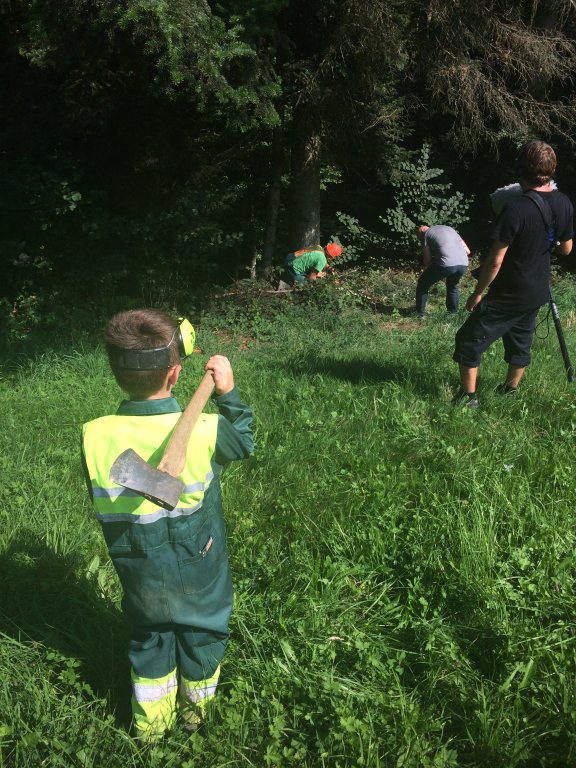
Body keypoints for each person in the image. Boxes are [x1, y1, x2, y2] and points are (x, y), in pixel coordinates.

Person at [81, 309, 253, 742]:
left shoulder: (95, 436)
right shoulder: (209, 429)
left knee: (150, 634)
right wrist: (227, 394)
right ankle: (196, 719)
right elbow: (244, 441)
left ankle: (151, 730)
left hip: (137, 564)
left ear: (114, 371)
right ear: (176, 374)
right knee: (203, 630)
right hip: (201, 562)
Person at [453, 140, 574, 407]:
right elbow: (566, 249)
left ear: (521, 169)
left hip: (509, 292)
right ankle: (510, 389)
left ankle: (468, 397)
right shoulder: (564, 202)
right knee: (521, 340)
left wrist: (477, 293)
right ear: (551, 170)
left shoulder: (515, 208)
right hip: (538, 289)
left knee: (468, 340)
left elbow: (495, 261)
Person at [415, 225, 470, 317]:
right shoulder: (450, 229)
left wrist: (429, 263)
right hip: (463, 263)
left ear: (421, 233)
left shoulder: (426, 235)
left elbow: (427, 260)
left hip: (447, 263)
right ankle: (452, 314)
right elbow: (467, 251)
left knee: (423, 283)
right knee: (452, 285)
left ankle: (420, 314)